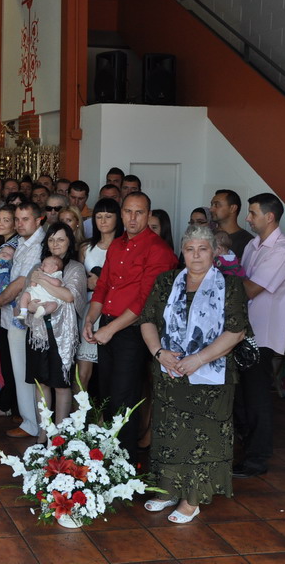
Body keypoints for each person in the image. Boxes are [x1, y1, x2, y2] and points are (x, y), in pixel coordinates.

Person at [139, 225, 249, 523]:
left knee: (202, 437)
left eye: (203, 249)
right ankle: (168, 489)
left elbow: (236, 331)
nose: (196, 255)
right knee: (169, 432)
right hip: (170, 372)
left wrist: (198, 359)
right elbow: (147, 320)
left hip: (210, 378)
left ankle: (192, 499)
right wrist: (159, 352)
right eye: (190, 249)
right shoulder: (166, 281)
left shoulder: (230, 285)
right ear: (182, 252)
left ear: (214, 253)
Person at [84, 193, 178, 456]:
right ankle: (107, 455)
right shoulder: (116, 245)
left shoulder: (159, 250)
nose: (133, 218)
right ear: (121, 213)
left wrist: (110, 329)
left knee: (124, 397)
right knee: (106, 393)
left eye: (139, 212)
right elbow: (103, 286)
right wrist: (91, 319)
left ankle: (124, 460)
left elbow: (145, 301)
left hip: (133, 331)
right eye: (128, 212)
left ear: (149, 214)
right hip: (107, 325)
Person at [235, 192, 285, 479]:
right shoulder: (253, 245)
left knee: (257, 398)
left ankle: (257, 459)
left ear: (269, 216)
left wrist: (221, 277)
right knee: (242, 396)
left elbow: (250, 289)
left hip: (263, 335)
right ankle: (246, 450)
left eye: (252, 213)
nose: (247, 218)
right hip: (243, 331)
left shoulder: (283, 251)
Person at [24, 223, 87, 431]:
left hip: (62, 334)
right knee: (41, 383)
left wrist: (42, 280)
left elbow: (69, 296)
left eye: (60, 239)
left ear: (69, 242)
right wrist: (31, 306)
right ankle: (44, 432)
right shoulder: (38, 266)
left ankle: (59, 434)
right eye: (51, 240)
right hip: (38, 332)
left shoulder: (75, 268)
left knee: (61, 384)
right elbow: (26, 296)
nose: (55, 244)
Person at [0, 202, 48, 439]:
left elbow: (21, 282)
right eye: (16, 219)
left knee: (24, 370)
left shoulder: (37, 245)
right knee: (20, 370)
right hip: (14, 315)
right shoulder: (23, 242)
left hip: (23, 317)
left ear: (38, 220)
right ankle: (30, 420)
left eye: (25, 219)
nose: (19, 223)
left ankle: (31, 423)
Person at [76, 198, 122, 390]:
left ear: (117, 218)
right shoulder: (86, 248)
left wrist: (102, 283)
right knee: (83, 372)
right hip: (89, 309)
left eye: (108, 216)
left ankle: (106, 410)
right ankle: (78, 409)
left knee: (111, 370)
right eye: (99, 216)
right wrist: (87, 283)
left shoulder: (124, 247)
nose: (103, 221)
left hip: (114, 311)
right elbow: (77, 281)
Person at [210, 189, 254, 258]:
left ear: (233, 208)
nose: (211, 209)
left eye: (216, 205)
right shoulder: (206, 235)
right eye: (211, 205)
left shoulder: (247, 242)